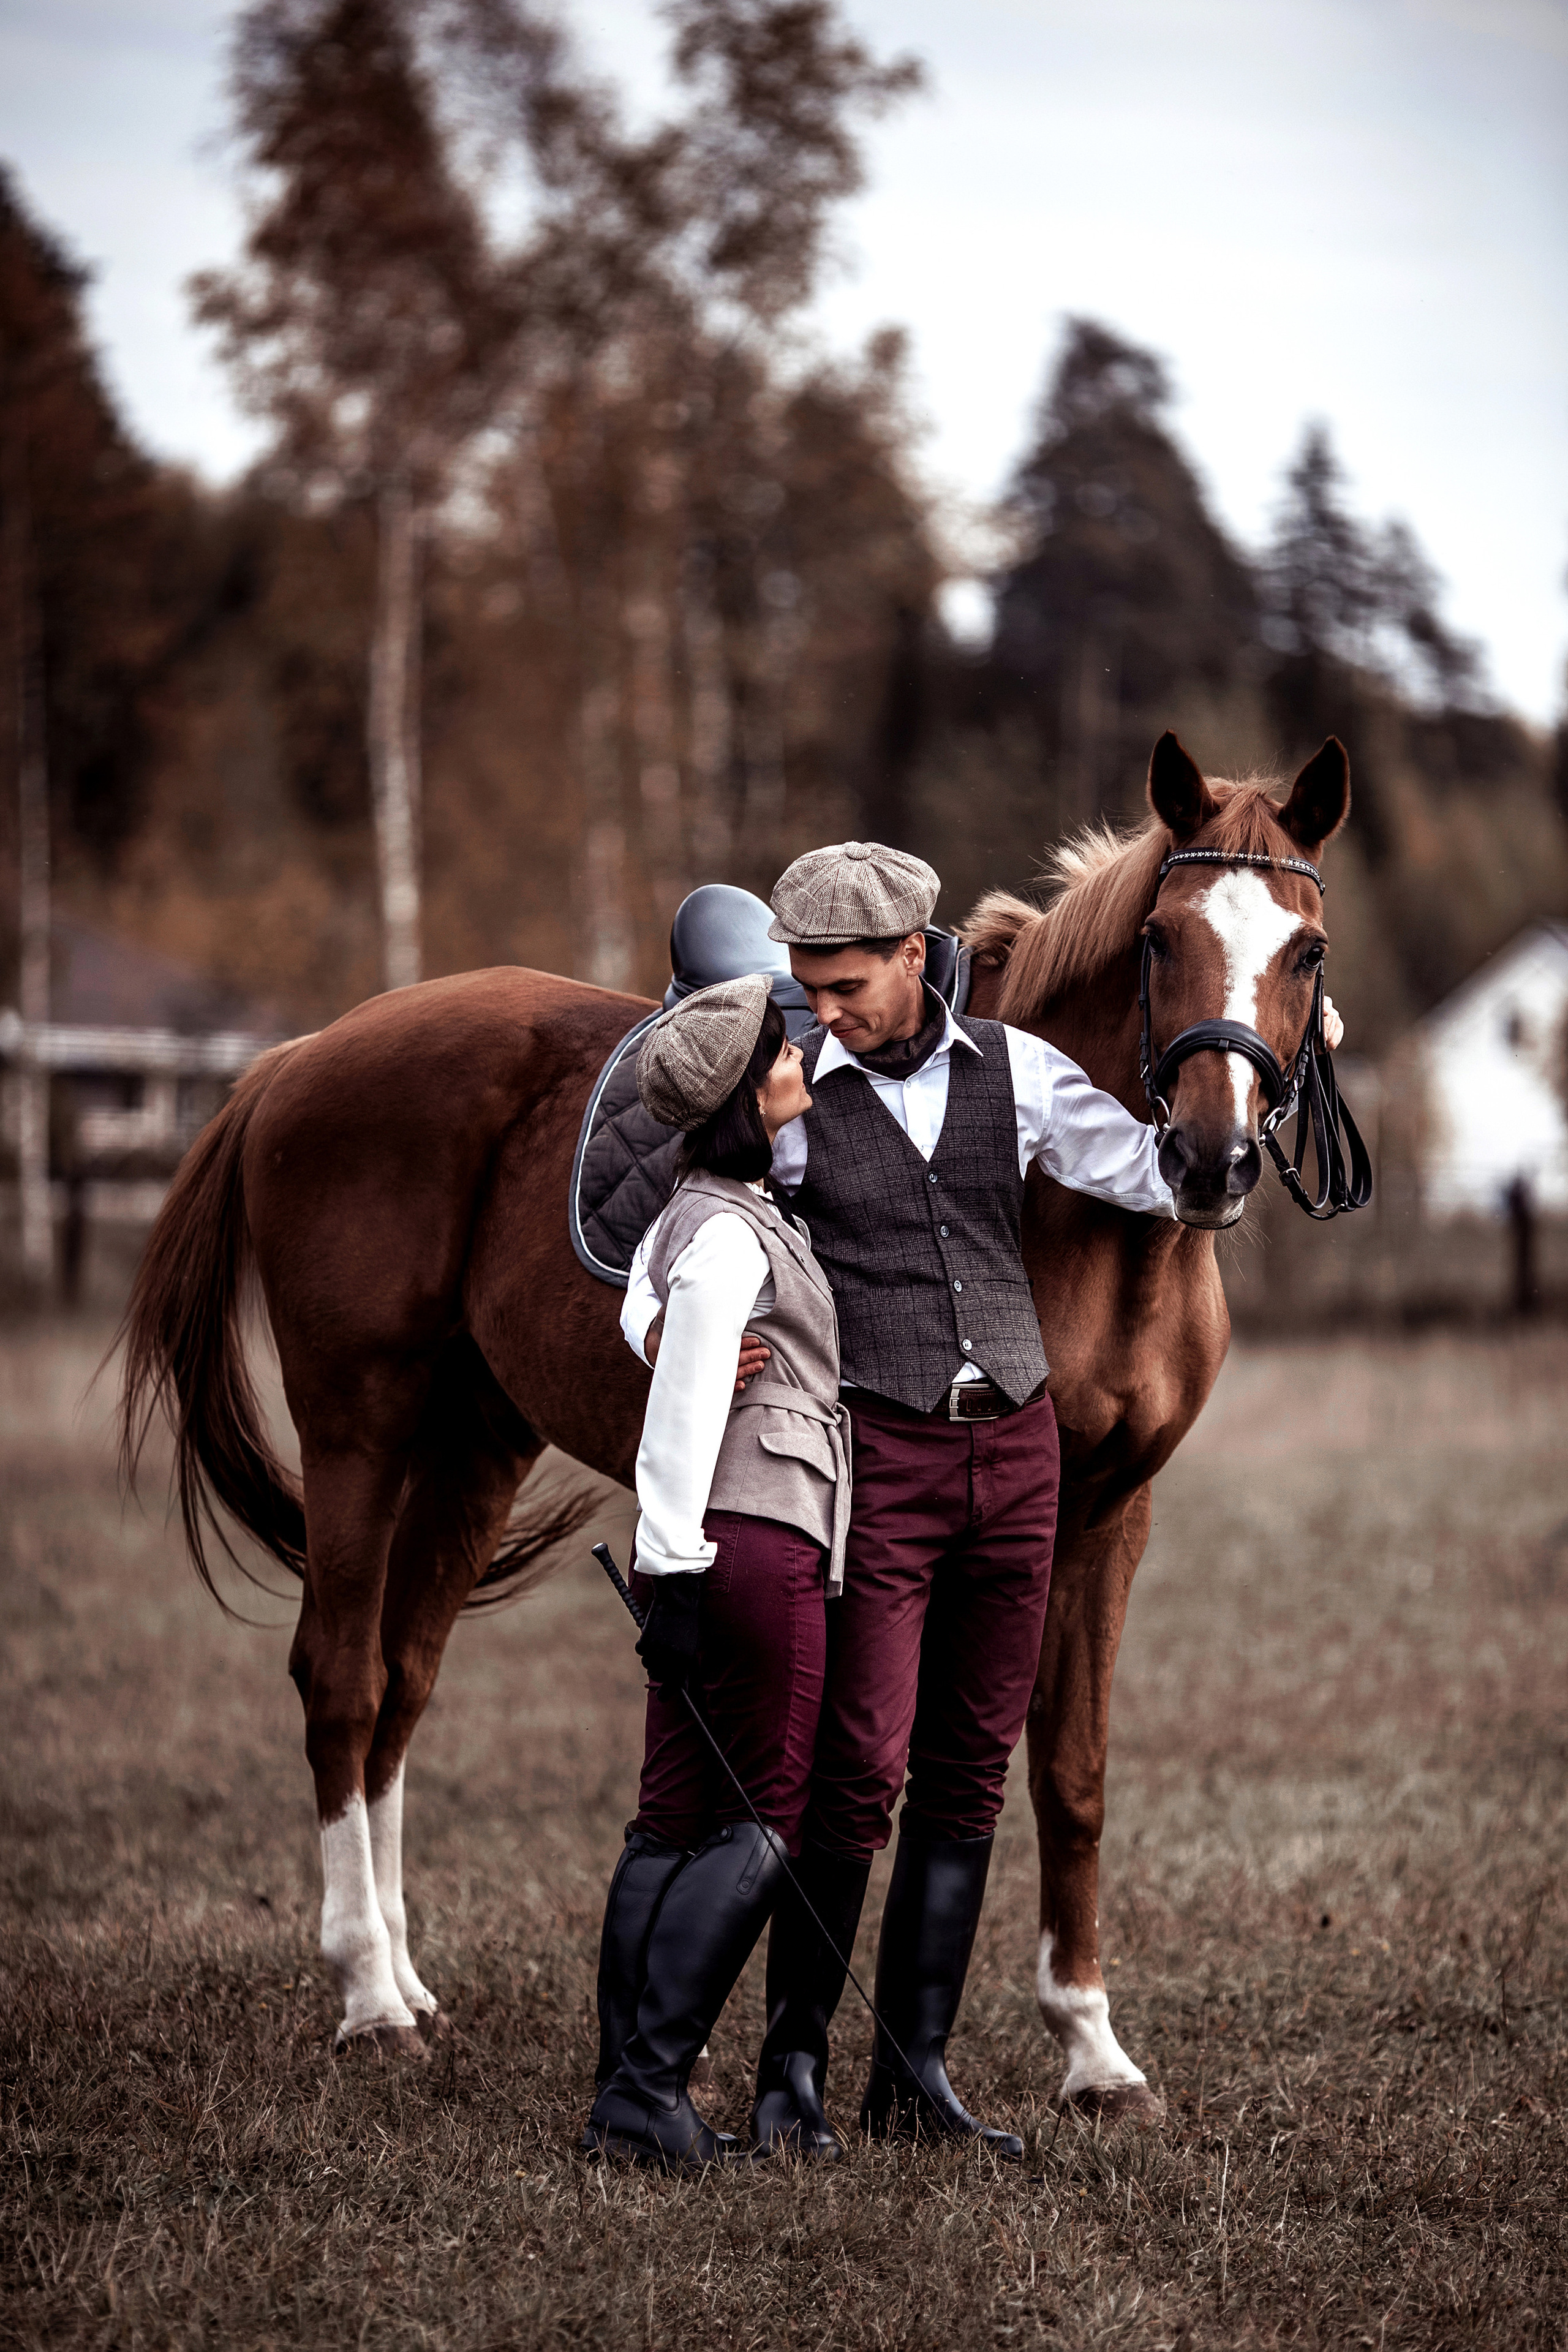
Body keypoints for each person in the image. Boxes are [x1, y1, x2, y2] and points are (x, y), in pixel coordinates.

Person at [625, 842, 1346, 2163]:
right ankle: (792, 2074)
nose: (820, 1011)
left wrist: (1265, 1054)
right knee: (860, 1769)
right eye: (805, 986)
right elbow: (673, 1242)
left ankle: (914, 2075)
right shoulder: (784, 1097)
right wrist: (665, 1332)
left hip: (1013, 1459)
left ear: (914, 958)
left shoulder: (1015, 1074)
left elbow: (1152, 1169)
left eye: (845, 985)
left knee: (965, 1776)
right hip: (883, 1462)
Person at [584, 974, 851, 2169]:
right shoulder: (732, 1235)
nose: (801, 1059)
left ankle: (620, 2095)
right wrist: (675, 1573)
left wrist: (671, 1570)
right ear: (748, 1090)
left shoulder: (696, 1210)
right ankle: (647, 2092)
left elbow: (644, 1309)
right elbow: (682, 1405)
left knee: (669, 1820)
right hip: (748, 1542)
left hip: (703, 1551)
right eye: (782, 1051)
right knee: (761, 1822)